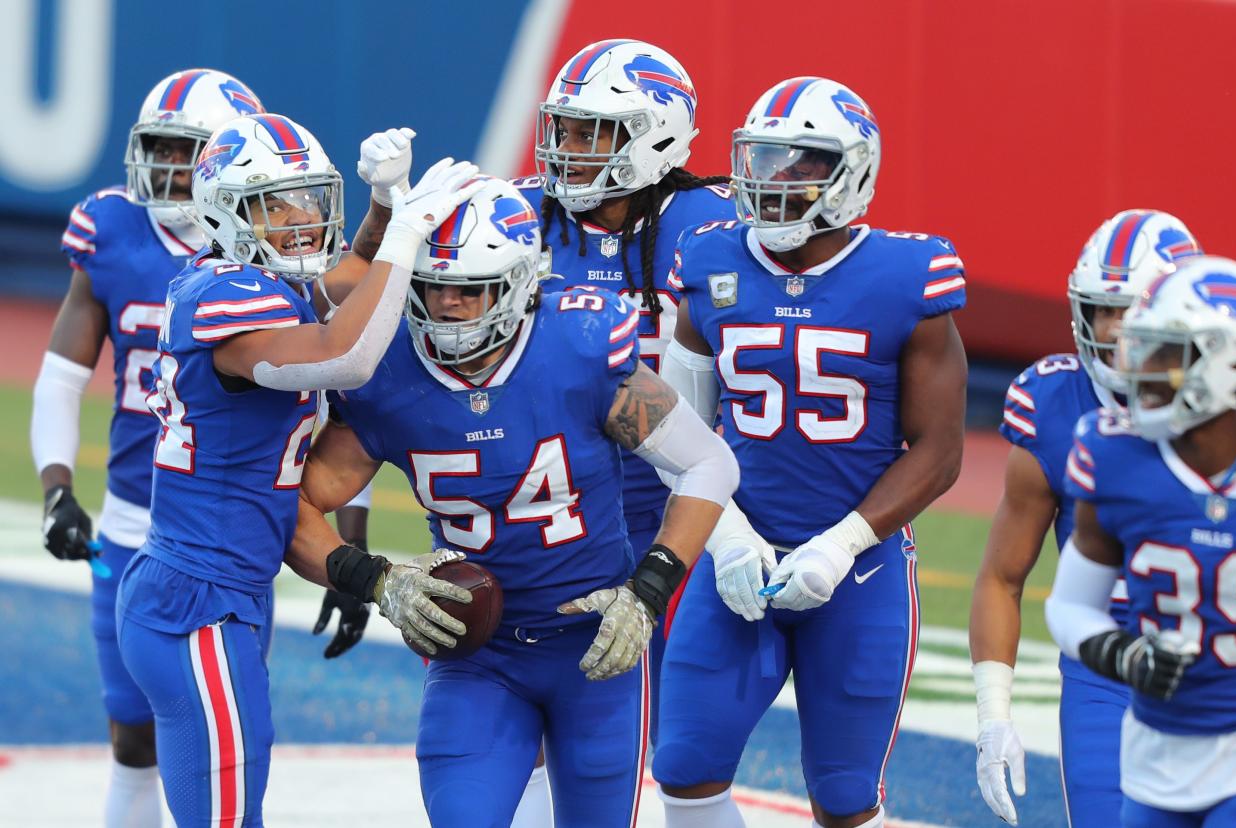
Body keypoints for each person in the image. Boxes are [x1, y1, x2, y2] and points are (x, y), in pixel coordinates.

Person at [286, 175, 738, 827]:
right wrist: (376, 580)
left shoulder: (579, 345)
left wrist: (649, 590)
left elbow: (708, 463)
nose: (445, 305)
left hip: (593, 650)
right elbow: (295, 506)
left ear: (521, 281)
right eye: (430, 284)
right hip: (478, 654)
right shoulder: (385, 371)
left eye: (469, 289)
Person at [114, 111, 483, 825]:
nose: (303, 219)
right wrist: (405, 238)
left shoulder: (252, 285)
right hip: (197, 601)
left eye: (311, 199)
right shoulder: (223, 295)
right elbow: (345, 350)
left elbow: (339, 282)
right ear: (227, 213)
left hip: (223, 592)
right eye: (278, 205)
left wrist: (382, 206)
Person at [652, 76, 968, 828]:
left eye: (799, 164)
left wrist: (840, 545)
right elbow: (673, 432)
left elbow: (941, 451)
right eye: (761, 160)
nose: (772, 181)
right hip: (738, 558)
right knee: (685, 766)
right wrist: (725, 537)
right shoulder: (708, 258)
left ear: (852, 172)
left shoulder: (906, 276)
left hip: (858, 569)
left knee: (845, 794)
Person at [30, 68, 264, 828]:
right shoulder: (114, 231)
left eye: (181, 151)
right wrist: (57, 488)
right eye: (156, 149)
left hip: (229, 539)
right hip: (133, 526)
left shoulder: (265, 243)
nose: (164, 169)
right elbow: (63, 378)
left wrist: (346, 527)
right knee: (133, 738)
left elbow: (337, 398)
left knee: (225, 740)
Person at [512, 36, 736, 821]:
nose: (565, 150)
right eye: (562, 129)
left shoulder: (714, 227)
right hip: (555, 518)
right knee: (554, 733)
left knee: (683, 751)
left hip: (680, 517)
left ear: (657, 137)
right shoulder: (518, 217)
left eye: (590, 133)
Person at [969, 210, 1201, 825]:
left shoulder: (1224, 408)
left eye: (1131, 312)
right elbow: (1003, 576)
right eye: (1103, 311)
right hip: (1106, 665)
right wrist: (994, 714)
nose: (1114, 331)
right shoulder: (1057, 408)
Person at [1046, 256, 1236, 827]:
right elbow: (1071, 605)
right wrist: (1122, 653)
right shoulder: (1114, 456)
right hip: (1155, 755)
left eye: (1165, 353)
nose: (1141, 370)